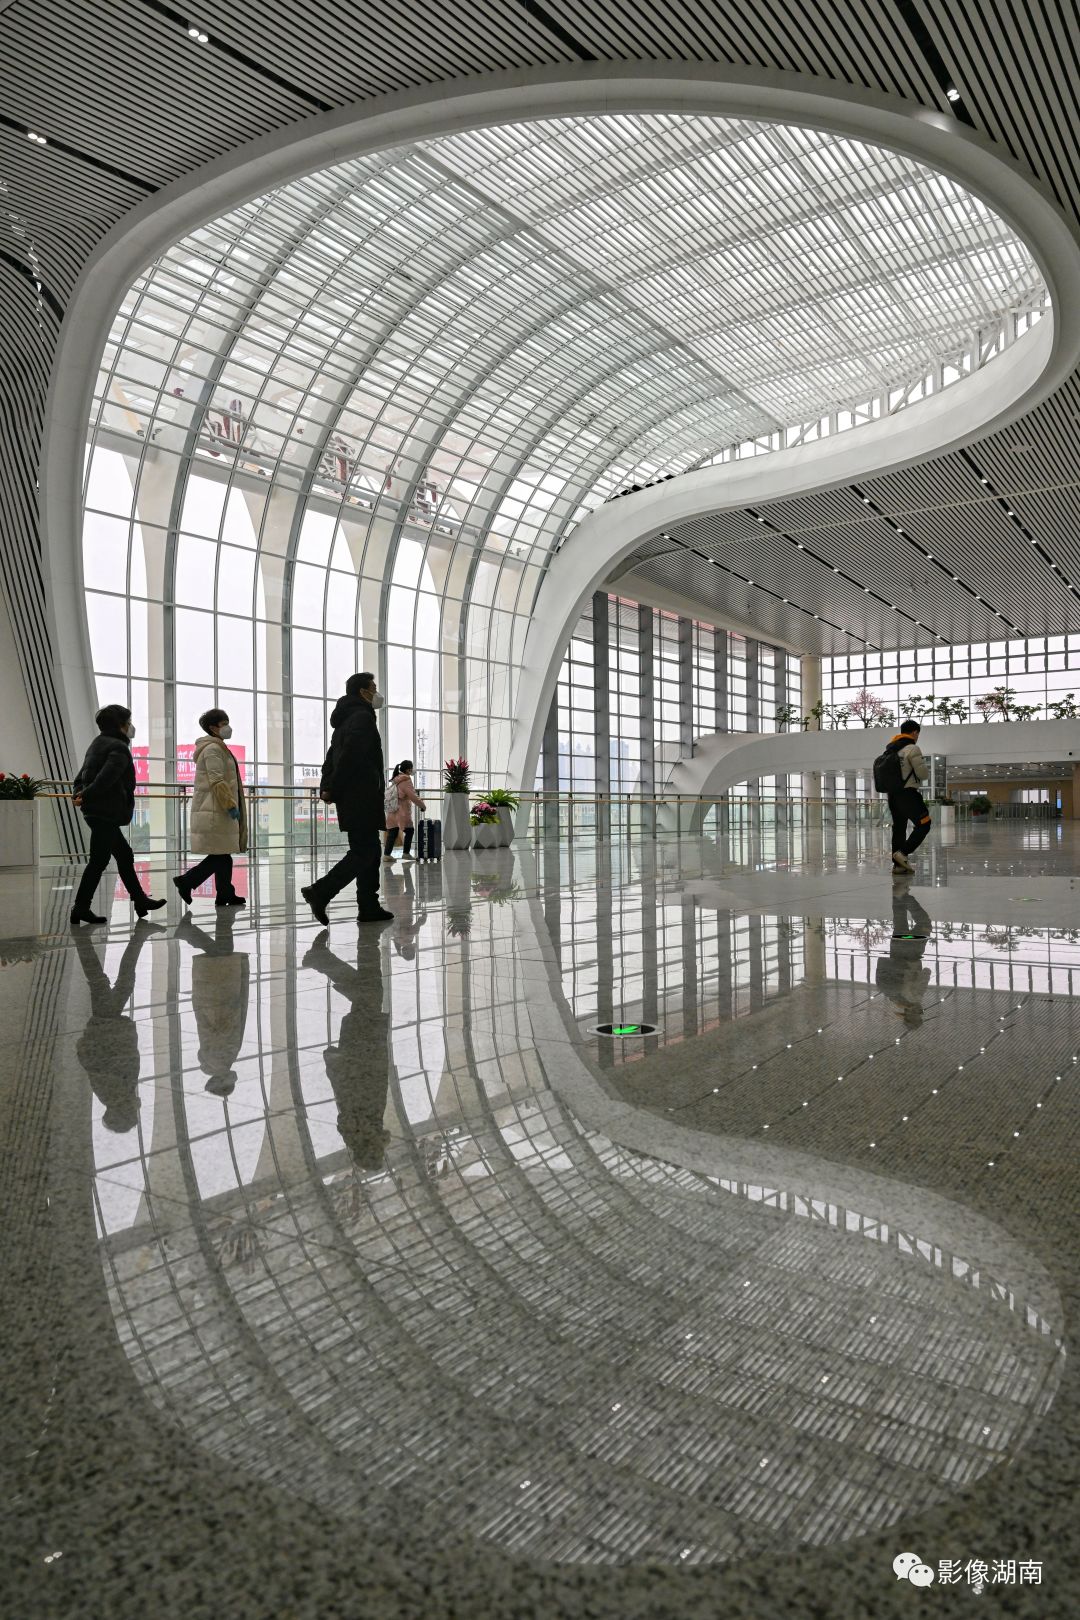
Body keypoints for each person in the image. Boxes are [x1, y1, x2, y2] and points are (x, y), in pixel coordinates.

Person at [301, 672, 392, 925]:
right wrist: (333, 788)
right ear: (363, 691)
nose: (376, 692)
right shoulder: (362, 717)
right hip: (360, 796)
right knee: (365, 851)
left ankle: (369, 906)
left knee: (370, 851)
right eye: (373, 687)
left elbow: (331, 758)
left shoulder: (346, 720)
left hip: (354, 796)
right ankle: (320, 891)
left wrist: (328, 787)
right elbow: (349, 757)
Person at [301, 931, 391, 1169]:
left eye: (378, 1154)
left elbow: (350, 1086)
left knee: (371, 993)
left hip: (362, 1048)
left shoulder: (362, 1122)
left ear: (371, 1150)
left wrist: (337, 1061)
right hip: (365, 1049)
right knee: (370, 991)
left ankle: (329, 955)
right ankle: (324, 956)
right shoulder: (364, 1124)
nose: (382, 1150)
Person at [70, 703, 166, 924]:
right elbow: (107, 778)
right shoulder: (119, 748)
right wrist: (85, 795)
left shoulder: (97, 744)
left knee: (123, 855)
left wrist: (79, 794)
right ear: (121, 725)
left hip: (95, 811)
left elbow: (80, 777)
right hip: (106, 811)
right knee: (99, 860)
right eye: (129, 722)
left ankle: (140, 900)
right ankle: (81, 907)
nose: (131, 726)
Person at [73, 921, 158, 1130]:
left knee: (111, 982)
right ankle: (85, 938)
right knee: (108, 982)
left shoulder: (114, 1094)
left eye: (133, 1113)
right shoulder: (113, 1095)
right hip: (106, 1027)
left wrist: (102, 1035)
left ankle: (137, 935)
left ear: (124, 1112)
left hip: (107, 1026)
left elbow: (104, 1060)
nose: (136, 1109)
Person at [173, 709, 247, 909]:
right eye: (223, 724)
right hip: (215, 810)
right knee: (220, 856)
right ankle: (186, 881)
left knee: (224, 855)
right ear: (213, 728)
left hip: (216, 809)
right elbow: (217, 781)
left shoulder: (219, 747)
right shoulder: (213, 749)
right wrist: (230, 805)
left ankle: (225, 893)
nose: (228, 727)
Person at [178, 910, 250, 1096]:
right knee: (223, 952)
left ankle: (197, 929)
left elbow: (227, 1028)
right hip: (209, 1003)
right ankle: (223, 919)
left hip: (222, 998)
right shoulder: (210, 1060)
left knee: (223, 955)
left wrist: (235, 1003)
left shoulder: (223, 1059)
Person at [875, 882, 932, 1027]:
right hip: (896, 949)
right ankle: (897, 896)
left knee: (924, 923)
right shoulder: (893, 998)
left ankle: (905, 896)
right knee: (900, 921)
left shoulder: (915, 997)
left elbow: (926, 972)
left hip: (912, 949)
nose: (921, 1010)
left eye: (920, 1013)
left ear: (915, 1014)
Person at [882, 718, 931, 874]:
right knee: (924, 824)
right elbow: (923, 774)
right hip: (908, 794)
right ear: (915, 732)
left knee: (899, 828)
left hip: (892, 796)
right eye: (918, 734)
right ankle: (902, 853)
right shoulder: (912, 748)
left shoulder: (890, 750)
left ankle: (898, 866)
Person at [383, 758, 426, 863]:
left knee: (393, 832)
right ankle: (406, 853)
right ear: (408, 770)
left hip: (392, 810)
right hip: (402, 811)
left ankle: (386, 855)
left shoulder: (396, 779)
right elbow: (413, 796)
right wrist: (423, 806)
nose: (412, 770)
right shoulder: (406, 780)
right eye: (411, 768)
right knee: (410, 830)